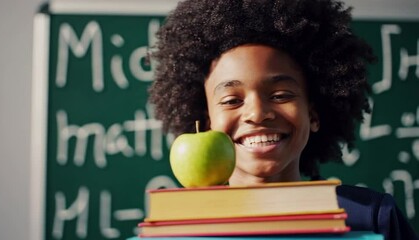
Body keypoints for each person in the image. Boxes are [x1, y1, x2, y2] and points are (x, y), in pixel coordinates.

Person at [148, 0, 419, 239]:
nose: (257, 114)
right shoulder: (176, 228)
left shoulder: (373, 217)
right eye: (232, 100)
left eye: (280, 95)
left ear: (313, 114)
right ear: (207, 123)